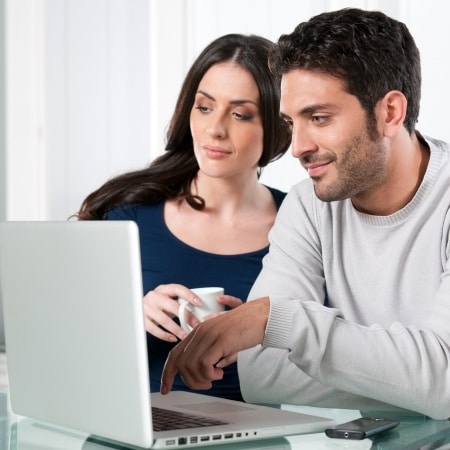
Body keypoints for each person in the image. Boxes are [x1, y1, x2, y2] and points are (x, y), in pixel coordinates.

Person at [160, 8, 450, 420]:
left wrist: (281, 321)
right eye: (291, 122)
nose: (297, 147)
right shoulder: (307, 205)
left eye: (319, 118)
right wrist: (415, 384)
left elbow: (443, 381)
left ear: (390, 113)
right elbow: (262, 376)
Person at [77, 33, 291, 401]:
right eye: (204, 107)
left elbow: (329, 346)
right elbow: (70, 343)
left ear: (277, 127)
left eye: (240, 114)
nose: (215, 129)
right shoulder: (128, 219)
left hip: (264, 430)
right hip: (145, 428)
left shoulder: (300, 225)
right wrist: (127, 311)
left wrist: (263, 338)